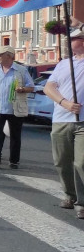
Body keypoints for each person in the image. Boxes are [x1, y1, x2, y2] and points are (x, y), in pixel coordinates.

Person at [43, 29, 84, 217]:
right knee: (61, 161)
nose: (70, 41)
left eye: (74, 38)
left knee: (81, 162)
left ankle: (81, 202)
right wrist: (64, 102)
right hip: (61, 119)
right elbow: (49, 87)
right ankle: (70, 194)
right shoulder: (63, 64)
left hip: (82, 121)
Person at [0, 46, 33, 170]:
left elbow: (31, 86)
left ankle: (14, 160)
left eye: (0, 55)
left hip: (15, 108)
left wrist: (22, 89)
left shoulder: (21, 70)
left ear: (9, 56)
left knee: (15, 135)